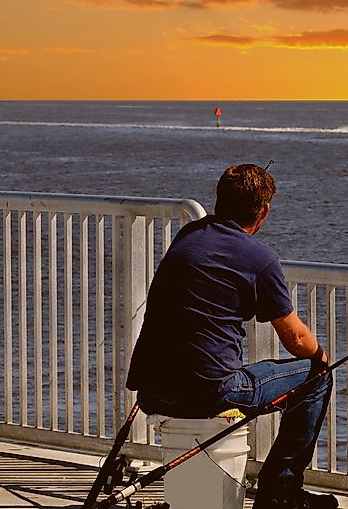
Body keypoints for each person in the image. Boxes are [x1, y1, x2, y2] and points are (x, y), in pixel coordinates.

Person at [126, 163, 337, 509]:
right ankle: (280, 492)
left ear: (220, 200)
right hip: (210, 391)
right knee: (317, 378)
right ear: (264, 210)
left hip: (152, 390)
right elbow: (296, 340)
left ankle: (276, 490)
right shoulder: (261, 258)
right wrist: (322, 356)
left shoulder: (189, 234)